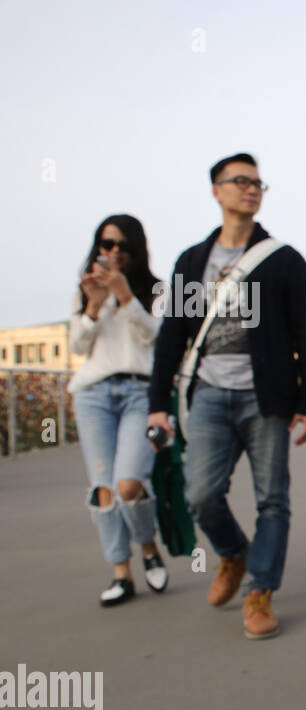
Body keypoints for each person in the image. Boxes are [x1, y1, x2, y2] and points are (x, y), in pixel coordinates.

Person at [148, 153, 306, 640]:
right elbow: (171, 336)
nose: (250, 188)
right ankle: (233, 553)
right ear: (216, 190)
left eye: (257, 182)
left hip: (266, 398)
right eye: (239, 181)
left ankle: (259, 590)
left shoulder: (284, 260)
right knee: (200, 494)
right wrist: (157, 402)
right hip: (207, 395)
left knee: (272, 499)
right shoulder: (191, 261)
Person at [67, 215, 170, 606]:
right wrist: (93, 308)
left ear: (136, 251)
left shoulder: (156, 290)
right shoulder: (86, 289)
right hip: (93, 393)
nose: (112, 253)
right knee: (104, 488)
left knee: (129, 483)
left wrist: (125, 296)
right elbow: (78, 347)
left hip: (140, 392)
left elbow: (153, 338)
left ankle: (148, 547)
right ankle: (120, 572)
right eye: (105, 245)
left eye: (121, 247)